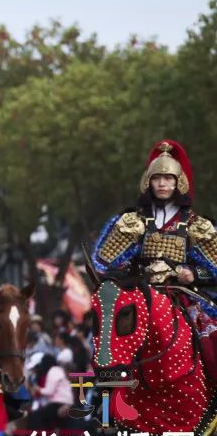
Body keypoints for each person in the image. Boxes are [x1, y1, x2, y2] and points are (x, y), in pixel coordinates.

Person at [93, 140, 217, 379]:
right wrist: (129, 271)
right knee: (109, 328)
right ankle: (106, 384)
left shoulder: (195, 225)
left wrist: (193, 273)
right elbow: (103, 263)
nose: (162, 183)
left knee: (210, 339)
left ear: (178, 182)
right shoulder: (132, 221)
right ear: (148, 182)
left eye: (168, 178)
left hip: (180, 293)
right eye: (157, 178)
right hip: (140, 293)